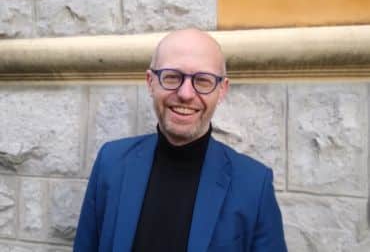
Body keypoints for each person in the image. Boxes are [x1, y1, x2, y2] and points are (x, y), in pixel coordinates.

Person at [73, 29, 287, 252]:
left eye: (203, 80)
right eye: (172, 77)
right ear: (150, 82)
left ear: (222, 90)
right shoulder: (111, 163)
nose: (186, 93)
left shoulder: (254, 184)